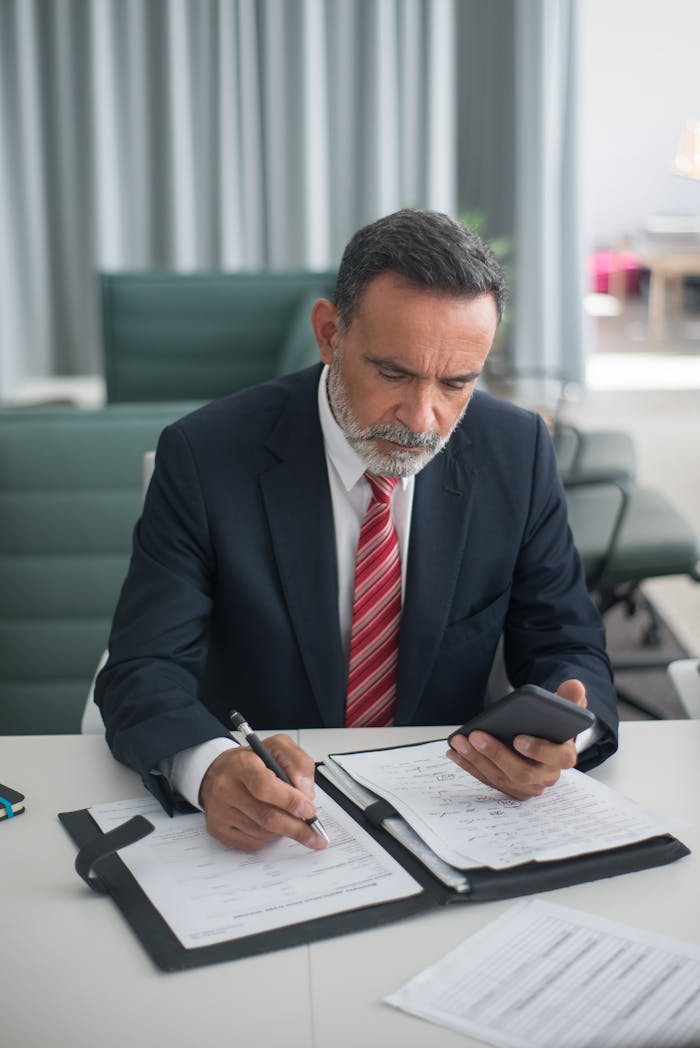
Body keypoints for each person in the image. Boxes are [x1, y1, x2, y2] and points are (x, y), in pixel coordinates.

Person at [95, 208, 618, 856]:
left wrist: (564, 738)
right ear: (328, 334)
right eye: (394, 373)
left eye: (457, 382)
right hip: (269, 823)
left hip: (449, 817)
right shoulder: (205, 457)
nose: (423, 418)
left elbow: (568, 642)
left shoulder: (516, 451)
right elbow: (141, 671)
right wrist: (207, 769)